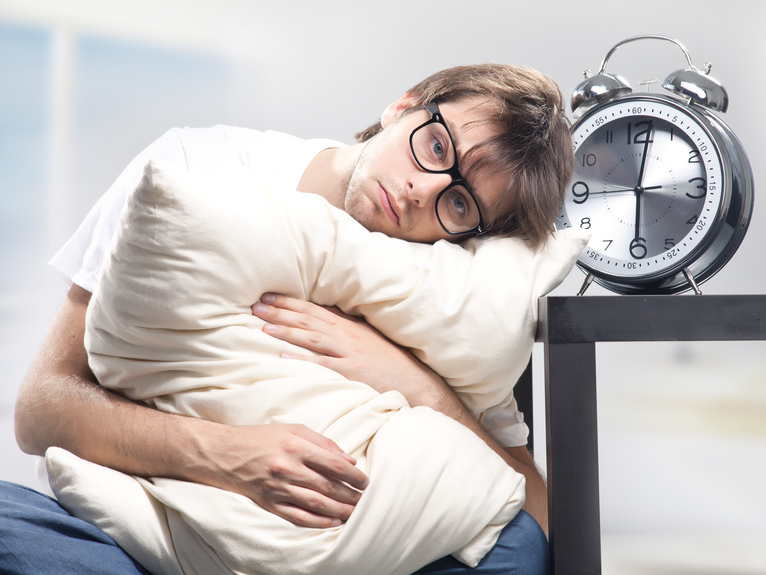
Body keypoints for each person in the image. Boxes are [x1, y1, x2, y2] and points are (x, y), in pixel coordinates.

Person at [7, 63, 573, 575]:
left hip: (345, 556)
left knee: (518, 546)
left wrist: (421, 388)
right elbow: (41, 408)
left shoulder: (444, 288)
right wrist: (227, 456)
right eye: (434, 145)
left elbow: (542, 515)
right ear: (403, 106)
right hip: (134, 534)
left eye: (459, 204)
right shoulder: (196, 169)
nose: (421, 191)